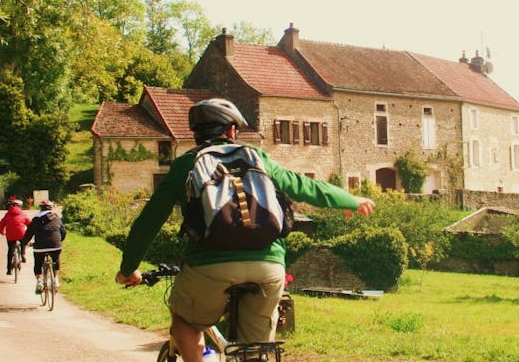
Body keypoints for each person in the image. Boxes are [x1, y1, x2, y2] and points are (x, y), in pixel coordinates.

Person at [115, 98, 375, 362]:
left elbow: (149, 221)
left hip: (209, 266)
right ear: (231, 131)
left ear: (197, 134)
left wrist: (129, 268)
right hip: (268, 267)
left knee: (185, 322)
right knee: (256, 350)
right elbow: (302, 186)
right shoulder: (257, 157)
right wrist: (350, 200)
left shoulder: (187, 164)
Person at [22, 199, 66, 294]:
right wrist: (59, 240)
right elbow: (63, 232)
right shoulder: (57, 218)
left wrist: (24, 244)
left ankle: (39, 281)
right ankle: (55, 279)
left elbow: (28, 234)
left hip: (40, 247)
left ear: (41, 208)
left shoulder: (36, 219)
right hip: (55, 245)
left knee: (38, 263)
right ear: (51, 208)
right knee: (56, 259)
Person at [0, 199, 30, 275]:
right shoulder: (23, 214)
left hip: (10, 235)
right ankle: (22, 254)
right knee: (24, 242)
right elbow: (30, 224)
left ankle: (9, 270)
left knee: (10, 251)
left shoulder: (8, 214)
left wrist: (2, 232)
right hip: (21, 234)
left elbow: (1, 225)